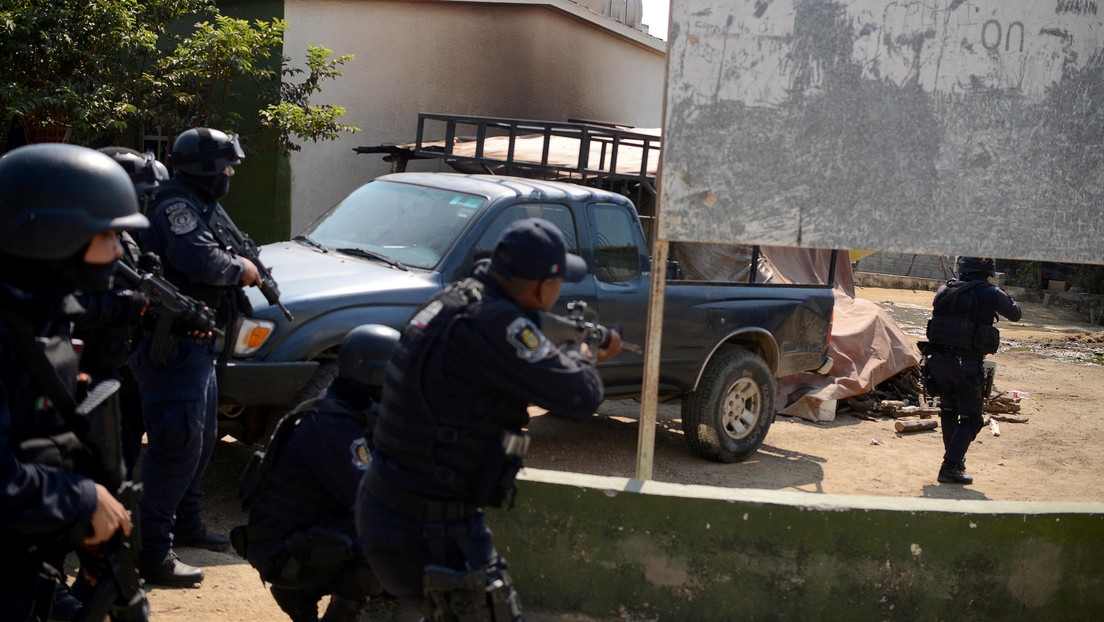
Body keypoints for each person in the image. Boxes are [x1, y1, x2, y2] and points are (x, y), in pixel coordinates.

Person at [355, 217, 622, 621]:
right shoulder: (496, 323)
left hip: (390, 507)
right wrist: (582, 351)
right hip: (431, 527)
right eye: (560, 282)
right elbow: (581, 395)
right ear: (542, 287)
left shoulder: (454, 300)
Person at [0, 143, 146, 620]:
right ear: (51, 235)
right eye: (106, 234)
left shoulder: (41, 314)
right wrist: (79, 499)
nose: (119, 249)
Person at [130, 128, 261, 585]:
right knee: (176, 446)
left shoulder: (203, 203)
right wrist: (240, 269)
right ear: (205, 167)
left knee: (202, 441)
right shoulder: (177, 206)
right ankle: (153, 552)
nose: (229, 172)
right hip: (175, 345)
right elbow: (202, 262)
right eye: (225, 164)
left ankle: (186, 522)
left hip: (201, 343)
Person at [233, 324, 398, 622]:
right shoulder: (331, 425)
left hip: (298, 539)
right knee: (392, 533)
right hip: (284, 555)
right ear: (376, 375)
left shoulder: (345, 403)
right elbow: (373, 500)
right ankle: (336, 611)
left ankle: (305, 594)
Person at [923, 256, 1022, 485]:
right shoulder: (990, 292)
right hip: (965, 365)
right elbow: (1016, 314)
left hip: (937, 361)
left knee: (948, 410)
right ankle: (950, 467)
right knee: (972, 418)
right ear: (989, 271)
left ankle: (955, 461)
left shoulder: (944, 290)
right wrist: (1001, 294)